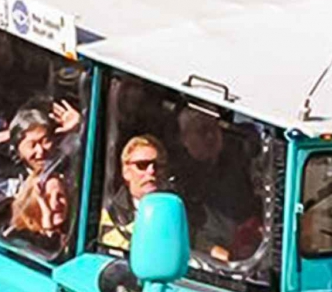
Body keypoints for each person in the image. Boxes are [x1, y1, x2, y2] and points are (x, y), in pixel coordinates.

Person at [172, 107, 263, 263]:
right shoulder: (179, 180)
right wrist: (212, 249)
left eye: (214, 128)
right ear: (184, 138)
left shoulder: (241, 165)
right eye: (202, 131)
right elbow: (182, 230)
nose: (210, 136)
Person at [99, 135, 166, 251]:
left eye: (157, 165)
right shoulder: (108, 216)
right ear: (126, 172)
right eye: (142, 165)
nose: (151, 171)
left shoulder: (182, 212)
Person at [5, 172, 71, 255]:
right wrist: (47, 217)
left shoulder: (73, 233)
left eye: (60, 196)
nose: (56, 203)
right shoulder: (19, 237)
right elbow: (49, 253)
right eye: (47, 198)